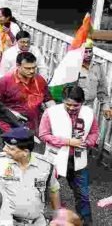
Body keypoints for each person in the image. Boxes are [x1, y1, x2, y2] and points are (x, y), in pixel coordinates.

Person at [38, 84, 99, 226]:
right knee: (43, 190)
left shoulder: (89, 112)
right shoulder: (51, 112)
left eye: (75, 106)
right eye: (68, 104)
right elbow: (43, 134)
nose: (71, 108)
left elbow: (94, 132)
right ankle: (41, 220)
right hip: (55, 159)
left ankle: (86, 222)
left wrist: (89, 142)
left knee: (83, 195)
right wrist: (68, 142)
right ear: (63, 100)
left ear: (82, 102)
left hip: (78, 160)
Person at [0, 127, 60, 226]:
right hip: (7, 221)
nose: (4, 149)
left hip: (37, 222)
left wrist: (58, 217)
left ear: (25, 152)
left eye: (11, 148)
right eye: (5, 145)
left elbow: (54, 190)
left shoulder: (46, 166)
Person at [0, 52, 53, 132]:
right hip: (10, 127)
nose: (32, 71)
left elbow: (48, 99)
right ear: (18, 66)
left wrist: (55, 112)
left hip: (33, 127)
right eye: (27, 68)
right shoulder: (4, 82)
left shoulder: (40, 80)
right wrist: (12, 113)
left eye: (34, 68)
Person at [76, 40, 111, 118]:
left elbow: (102, 91)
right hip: (74, 108)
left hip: (89, 108)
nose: (88, 54)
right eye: (85, 52)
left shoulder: (98, 67)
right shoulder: (73, 66)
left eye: (90, 51)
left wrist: (106, 108)